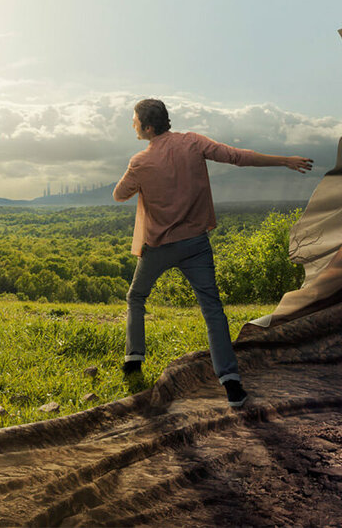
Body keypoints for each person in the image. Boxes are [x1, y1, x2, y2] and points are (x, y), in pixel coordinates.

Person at [113, 98, 314, 408]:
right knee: (213, 310)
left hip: (158, 248)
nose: (132, 125)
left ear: (148, 127)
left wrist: (144, 178)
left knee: (136, 297)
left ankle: (133, 359)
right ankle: (231, 383)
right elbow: (237, 156)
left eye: (134, 120)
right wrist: (283, 160)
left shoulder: (140, 161)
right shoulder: (193, 142)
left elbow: (118, 195)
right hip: (196, 245)